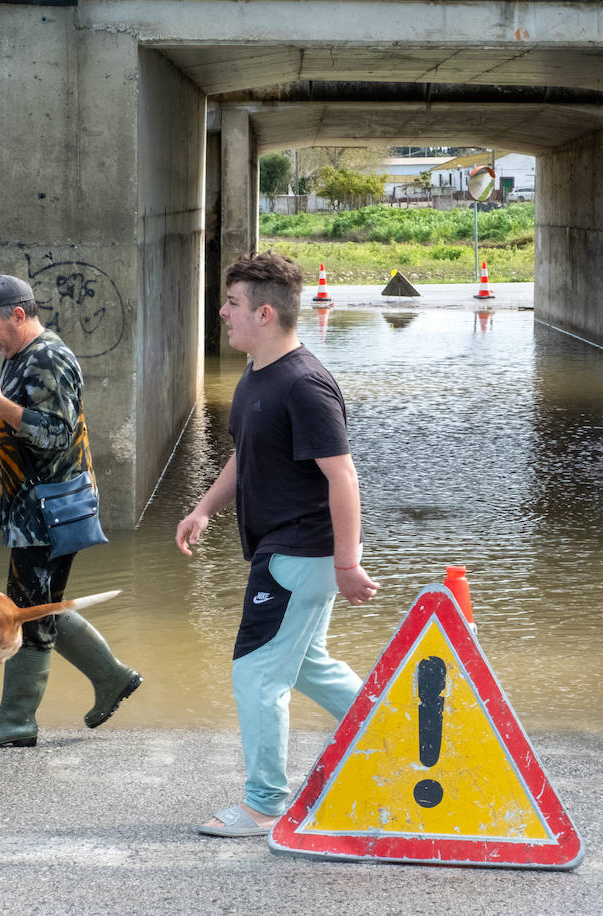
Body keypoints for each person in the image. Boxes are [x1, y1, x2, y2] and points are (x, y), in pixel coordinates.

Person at [176, 252, 379, 837]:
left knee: (257, 673)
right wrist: (204, 508)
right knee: (308, 665)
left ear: (265, 313)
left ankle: (266, 802)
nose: (223, 313)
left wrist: (347, 562)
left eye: (232, 304)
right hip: (285, 549)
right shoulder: (258, 374)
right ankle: (394, 731)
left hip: (299, 551)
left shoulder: (305, 384)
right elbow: (248, 453)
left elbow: (342, 476)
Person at [0, 273, 141, 748]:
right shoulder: (19, 358)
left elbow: (55, 433)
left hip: (49, 513)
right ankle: (112, 676)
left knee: (26, 612)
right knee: (37, 605)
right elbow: (9, 434)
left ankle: (17, 719)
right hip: (30, 511)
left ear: (18, 315)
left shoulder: (51, 359)